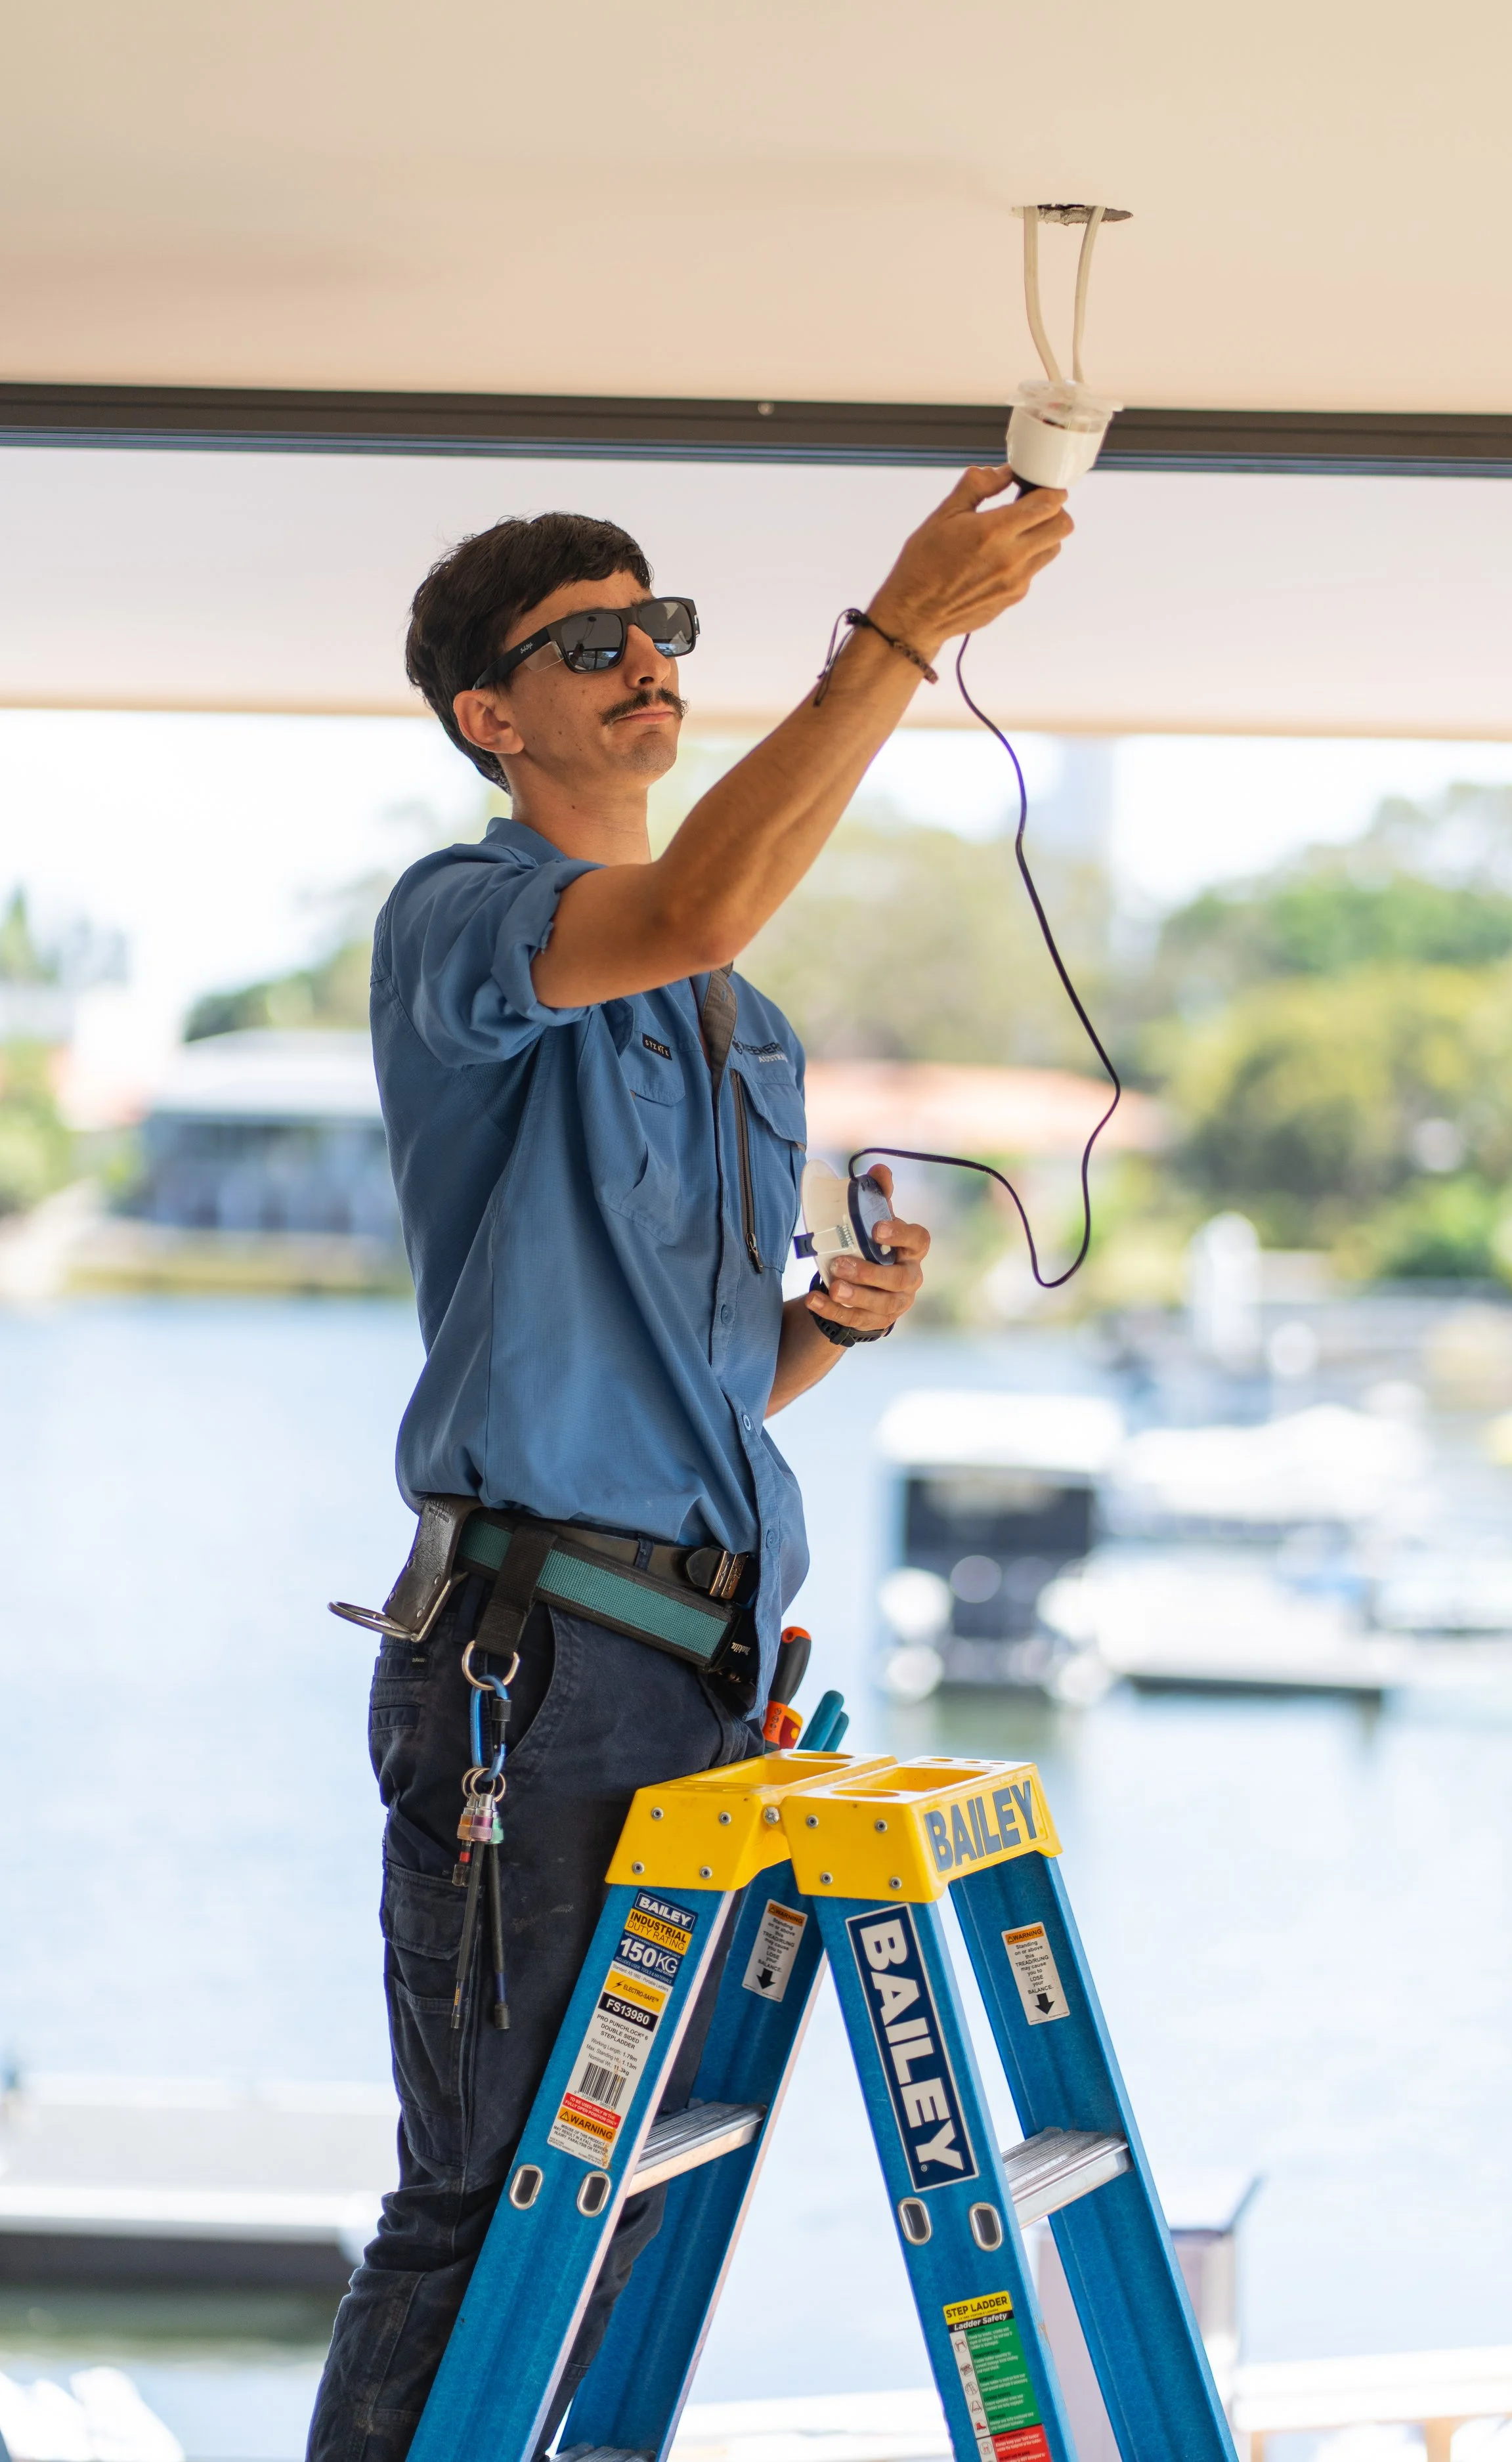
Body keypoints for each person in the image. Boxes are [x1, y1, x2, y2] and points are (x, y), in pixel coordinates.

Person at [305, 465, 1072, 2461]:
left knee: (621, 2199)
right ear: (494, 715)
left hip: (694, 1661)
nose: (647, 663)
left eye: (659, 629)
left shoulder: (740, 1023)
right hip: (526, 1673)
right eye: (590, 644)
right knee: (480, 2202)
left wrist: (822, 1329)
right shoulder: (460, 923)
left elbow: (688, 1387)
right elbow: (693, 897)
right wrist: (898, 634)